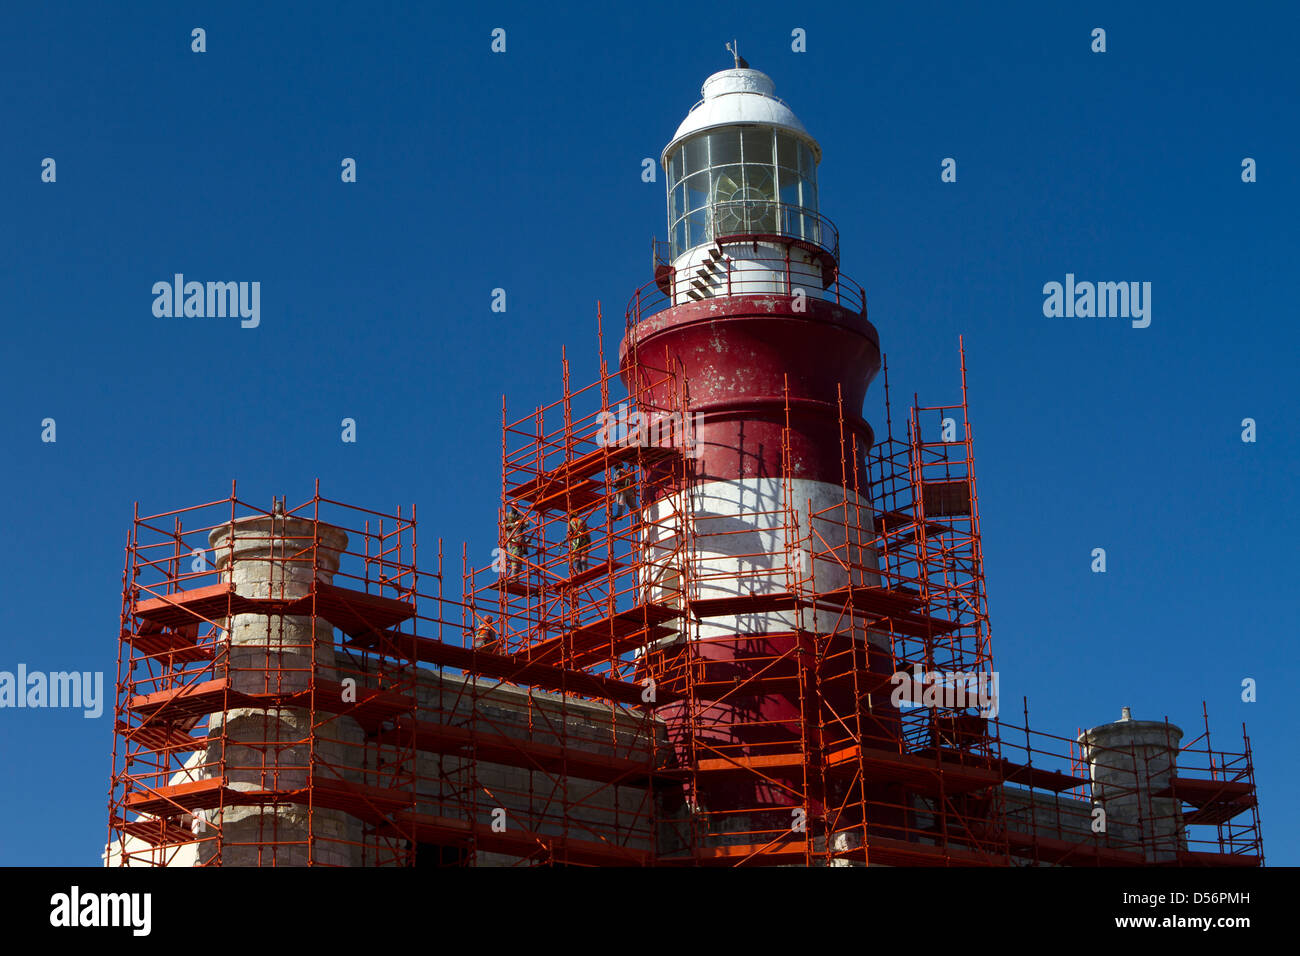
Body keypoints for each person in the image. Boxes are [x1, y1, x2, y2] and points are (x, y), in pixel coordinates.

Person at [502, 506, 528, 576]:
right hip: (511, 538)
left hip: (519, 541)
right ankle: (513, 577)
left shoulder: (519, 516)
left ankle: (515, 577)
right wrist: (514, 524)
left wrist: (522, 523)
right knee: (514, 560)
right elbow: (503, 526)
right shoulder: (507, 515)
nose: (515, 509)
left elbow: (527, 524)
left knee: (518, 562)